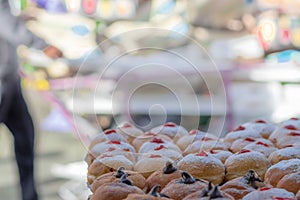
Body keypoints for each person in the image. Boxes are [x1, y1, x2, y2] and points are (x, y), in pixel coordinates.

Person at [0, 1, 61, 200]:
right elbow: (8, 25)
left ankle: (29, 196)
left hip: (9, 78)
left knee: (25, 135)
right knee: (25, 135)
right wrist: (44, 46)